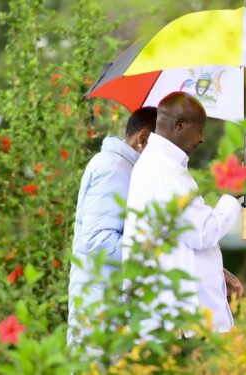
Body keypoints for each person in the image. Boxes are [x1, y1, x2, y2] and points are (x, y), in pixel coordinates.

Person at [122, 92, 244, 335]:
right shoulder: (167, 172)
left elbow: (176, 240)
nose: (201, 138)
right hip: (180, 325)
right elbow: (203, 233)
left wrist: (219, 275)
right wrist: (232, 195)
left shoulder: (156, 165)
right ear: (179, 125)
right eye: (200, 129)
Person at [67, 106, 157, 346]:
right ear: (143, 138)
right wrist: (156, 255)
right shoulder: (115, 168)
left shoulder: (126, 168)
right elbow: (98, 241)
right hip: (100, 310)